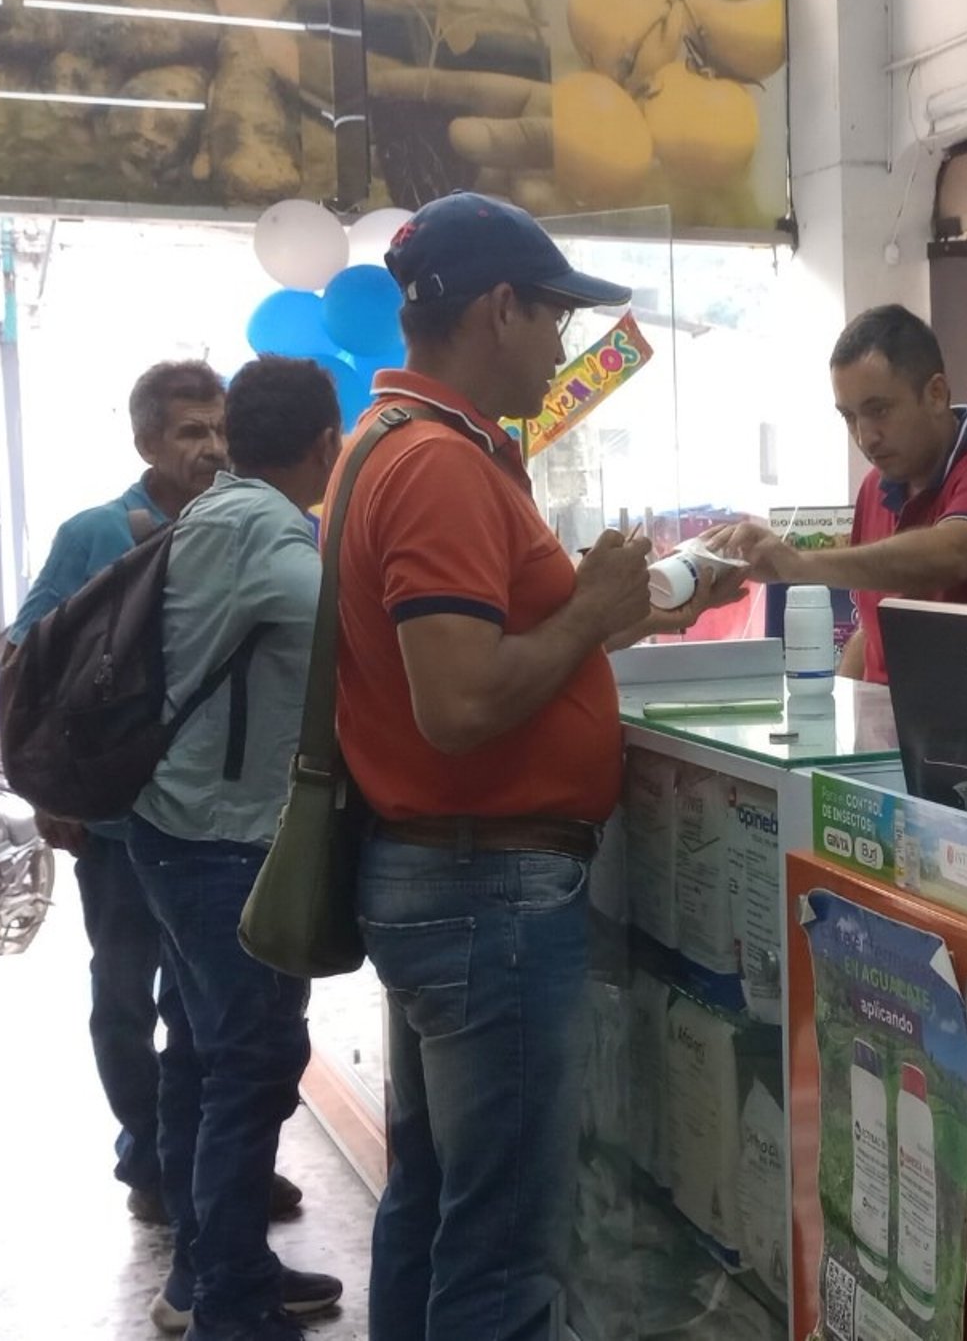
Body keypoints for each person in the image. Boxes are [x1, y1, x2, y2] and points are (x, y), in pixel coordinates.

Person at [330, 191, 740, 1341]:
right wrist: (591, 614)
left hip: (452, 883)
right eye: (554, 315)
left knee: (438, 1203)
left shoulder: (404, 448)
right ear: (498, 308)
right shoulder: (439, 469)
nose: (564, 344)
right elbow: (459, 702)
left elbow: (512, 639)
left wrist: (647, 601)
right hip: (487, 894)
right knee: (504, 1251)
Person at [8, 360, 299, 1225]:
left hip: (216, 821)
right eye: (190, 432)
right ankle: (150, 1158)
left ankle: (210, 1171)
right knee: (127, 995)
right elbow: (29, 656)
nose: (210, 447)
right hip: (118, 824)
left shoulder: (247, 525)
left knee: (206, 1012)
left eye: (218, 429)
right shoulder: (95, 533)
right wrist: (45, 787)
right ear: (146, 443)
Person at [126, 358, 346, 1341]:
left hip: (171, 826)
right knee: (253, 1062)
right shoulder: (266, 528)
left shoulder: (216, 511)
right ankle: (233, 1307)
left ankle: (212, 1268)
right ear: (324, 446)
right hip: (219, 842)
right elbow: (354, 632)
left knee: (202, 1057)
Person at [712, 303, 967, 682]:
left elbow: (950, 555)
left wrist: (797, 564)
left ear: (935, 394)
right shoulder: (875, 487)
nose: (865, 437)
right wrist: (836, 722)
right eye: (849, 416)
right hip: (902, 732)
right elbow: (871, 632)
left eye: (879, 410)